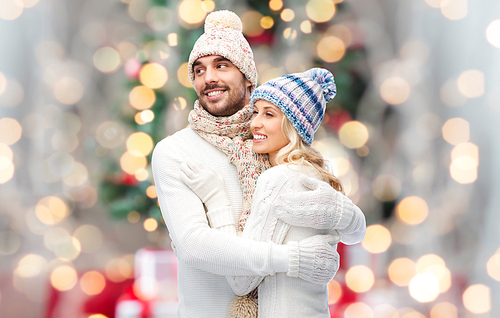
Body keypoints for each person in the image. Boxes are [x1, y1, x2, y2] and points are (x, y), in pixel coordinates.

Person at [151, 10, 349, 317]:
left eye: (222, 65)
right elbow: (195, 245)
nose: (209, 78)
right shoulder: (175, 151)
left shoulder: (275, 141)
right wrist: (292, 258)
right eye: (199, 70)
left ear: (247, 75)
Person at [181, 68, 366, 317]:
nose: (255, 122)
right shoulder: (317, 173)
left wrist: (216, 200)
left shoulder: (278, 178)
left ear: (293, 125)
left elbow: (240, 279)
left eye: (269, 114)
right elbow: (356, 231)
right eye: (256, 111)